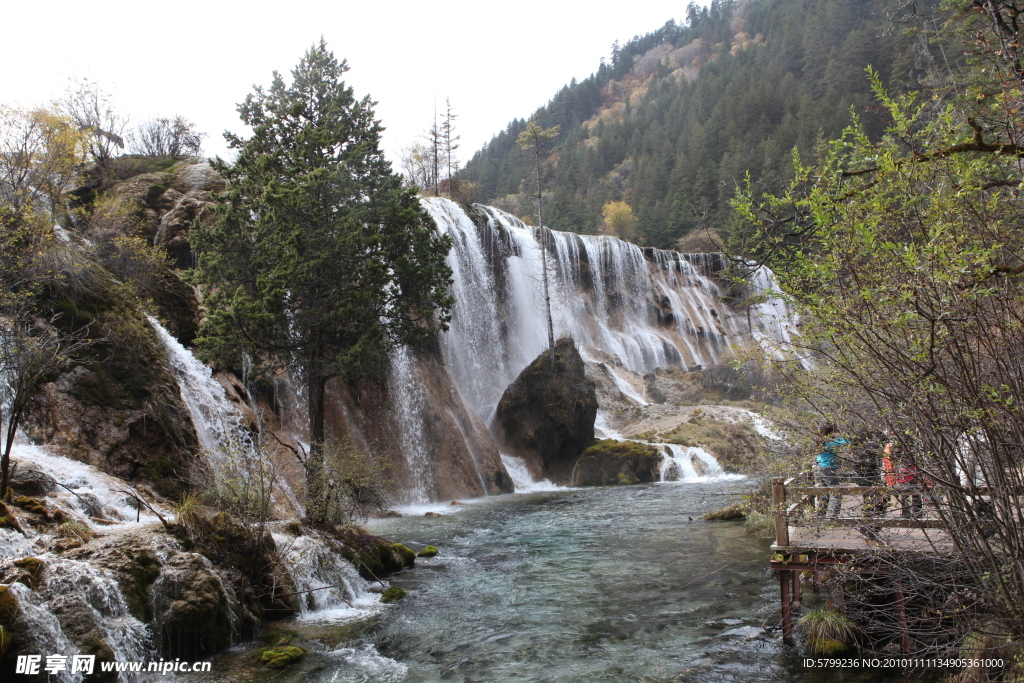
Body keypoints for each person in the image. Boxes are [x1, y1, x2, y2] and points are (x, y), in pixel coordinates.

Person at [815, 423, 849, 518]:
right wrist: (838, 435)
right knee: (836, 493)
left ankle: (820, 515)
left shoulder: (821, 441)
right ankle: (834, 517)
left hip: (820, 467)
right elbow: (847, 442)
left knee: (824, 492)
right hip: (828, 469)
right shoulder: (831, 442)